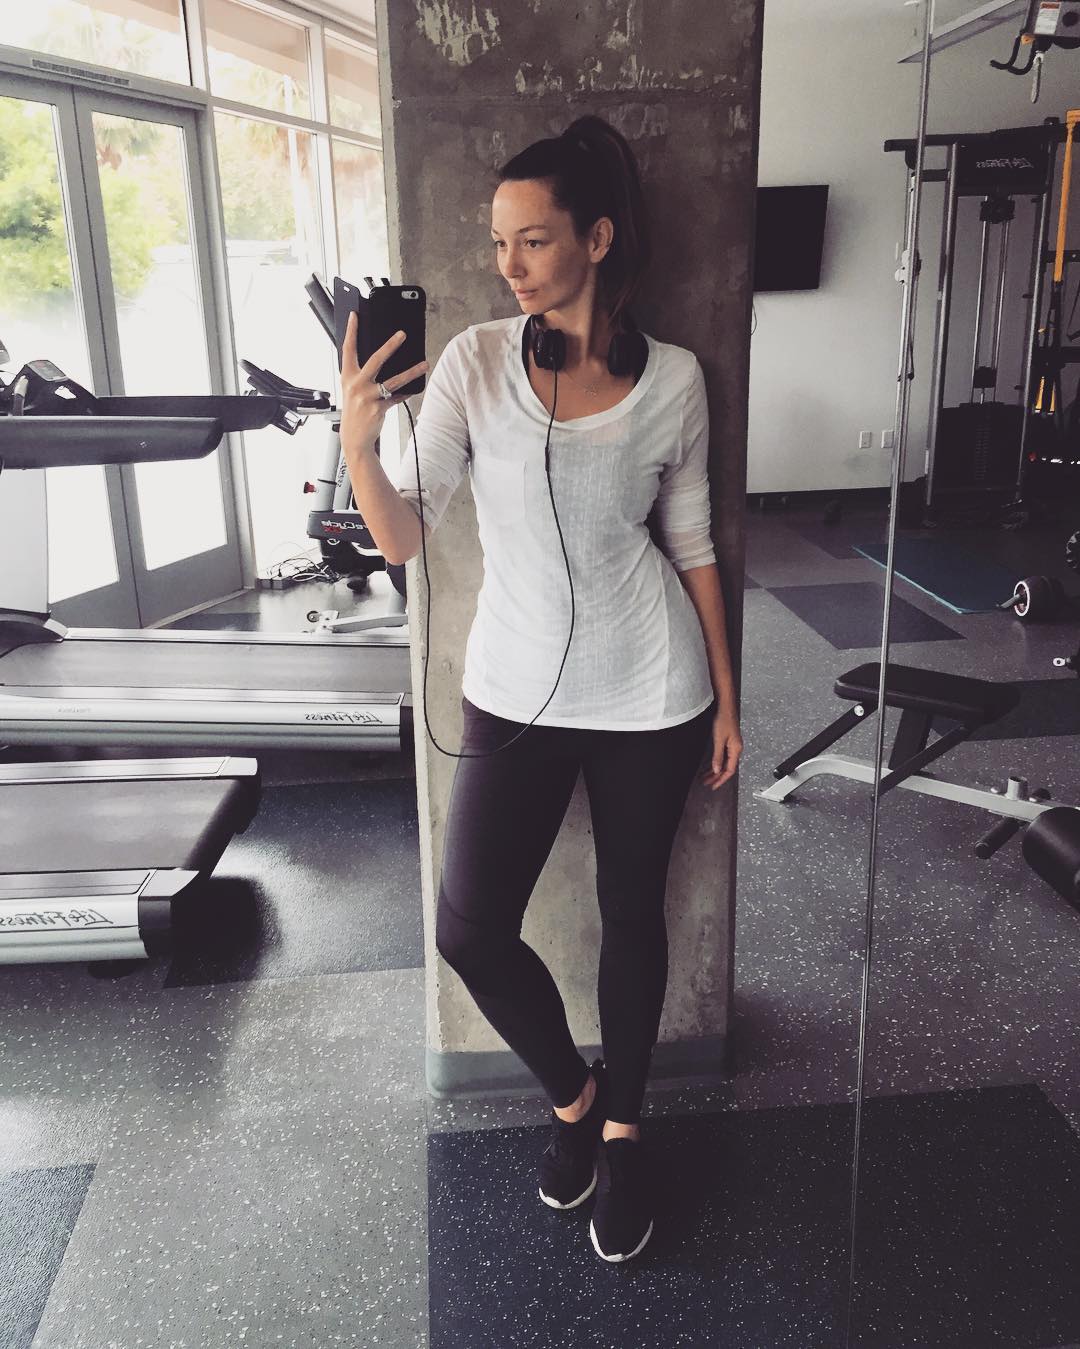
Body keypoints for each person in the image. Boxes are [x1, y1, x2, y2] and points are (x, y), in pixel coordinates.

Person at [338, 114, 742, 1264]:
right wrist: (360, 442)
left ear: (597, 239)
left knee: (632, 914)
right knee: (468, 927)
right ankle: (574, 1094)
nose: (507, 264)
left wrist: (726, 696)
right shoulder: (472, 363)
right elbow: (407, 536)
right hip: (512, 688)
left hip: (650, 689)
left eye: (532, 239)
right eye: (498, 241)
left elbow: (693, 542)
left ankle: (625, 1132)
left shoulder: (675, 380)